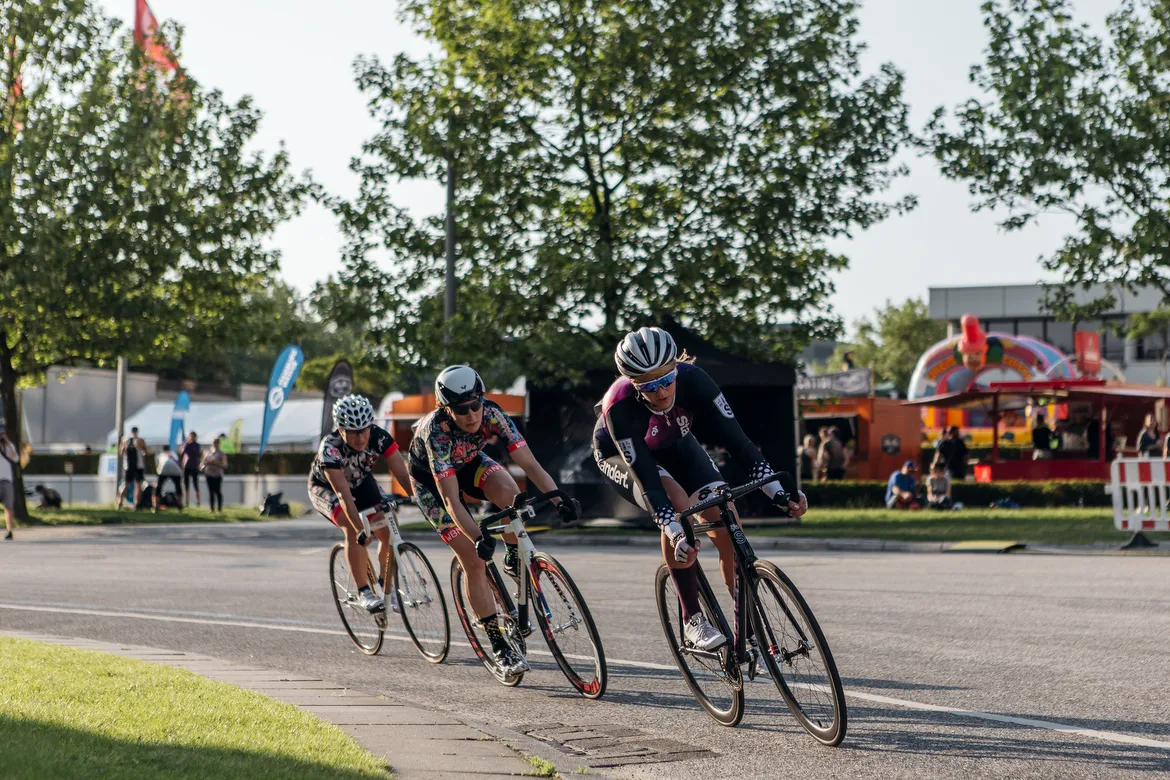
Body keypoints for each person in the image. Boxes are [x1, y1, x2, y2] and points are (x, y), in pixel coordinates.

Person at [593, 327, 807, 655]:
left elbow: (739, 443)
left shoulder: (695, 379)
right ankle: (692, 619)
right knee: (678, 508)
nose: (662, 391)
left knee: (726, 520)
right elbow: (650, 483)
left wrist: (778, 493)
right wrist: (676, 532)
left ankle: (747, 633)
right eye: (649, 386)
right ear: (635, 385)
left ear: (676, 368)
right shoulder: (619, 406)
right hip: (623, 456)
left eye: (666, 379)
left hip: (674, 443)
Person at [409, 365, 573, 675]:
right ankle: (498, 644)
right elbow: (451, 500)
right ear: (446, 408)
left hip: (470, 464)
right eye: (461, 409)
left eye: (475, 405)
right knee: (473, 559)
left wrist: (558, 498)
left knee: (511, 493)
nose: (471, 414)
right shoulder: (436, 433)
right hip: (435, 487)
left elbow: (531, 465)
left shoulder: (493, 414)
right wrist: (478, 538)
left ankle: (513, 556)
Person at [310, 394, 412, 615]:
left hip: (360, 481)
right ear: (341, 429)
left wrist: (419, 498)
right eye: (353, 432)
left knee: (388, 524)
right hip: (327, 488)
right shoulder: (330, 448)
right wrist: (360, 529)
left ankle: (386, 586)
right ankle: (364, 591)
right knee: (353, 528)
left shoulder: (379, 437)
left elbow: (403, 475)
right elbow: (343, 494)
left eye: (364, 429)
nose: (360, 437)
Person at [116, 427, 148, 509]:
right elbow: (146, 452)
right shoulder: (140, 440)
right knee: (138, 485)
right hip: (139, 466)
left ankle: (120, 502)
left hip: (128, 466)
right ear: (137, 431)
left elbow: (121, 452)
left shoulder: (124, 440)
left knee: (126, 484)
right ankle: (137, 504)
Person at [201, 439, 228, 513]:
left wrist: (216, 463)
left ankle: (219, 509)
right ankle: (212, 508)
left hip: (217, 474)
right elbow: (202, 463)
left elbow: (225, 465)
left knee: (218, 491)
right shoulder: (207, 452)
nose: (215, 444)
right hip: (208, 474)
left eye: (216, 443)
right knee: (211, 492)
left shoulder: (221, 453)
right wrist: (206, 462)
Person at [154, 445, 183, 511]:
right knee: (178, 486)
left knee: (159, 487)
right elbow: (177, 462)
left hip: (164, 468)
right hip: (175, 469)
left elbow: (157, 465)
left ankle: (156, 505)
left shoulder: (160, 455)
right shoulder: (173, 454)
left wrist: (158, 474)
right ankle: (180, 505)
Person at [0, 431, 17, 540]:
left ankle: (9, 530)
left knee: (9, 507)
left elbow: (16, 458)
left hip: (7, 481)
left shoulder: (9, 448)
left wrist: (8, 443)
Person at [180, 432, 202, 507]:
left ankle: (198, 501)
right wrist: (186, 444)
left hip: (194, 466)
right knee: (186, 484)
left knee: (195, 484)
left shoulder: (197, 445)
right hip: (187, 466)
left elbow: (197, 453)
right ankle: (186, 501)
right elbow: (182, 452)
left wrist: (192, 445)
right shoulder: (186, 444)